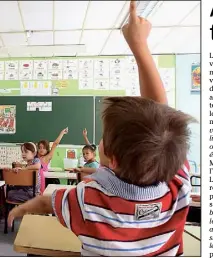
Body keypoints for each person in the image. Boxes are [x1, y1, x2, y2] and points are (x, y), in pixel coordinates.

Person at [7, 2, 195, 256]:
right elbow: (161, 121)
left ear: (112, 159)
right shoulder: (178, 187)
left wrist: (20, 208)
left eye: (103, 139)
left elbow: (46, 201)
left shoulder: (88, 200)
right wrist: (140, 46)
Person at [37, 128, 68, 192]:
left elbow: (55, 144)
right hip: (34, 180)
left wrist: (61, 133)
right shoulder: (36, 158)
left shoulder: (47, 157)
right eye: (39, 148)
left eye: (44, 148)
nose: (41, 149)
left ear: (47, 149)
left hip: (42, 181)